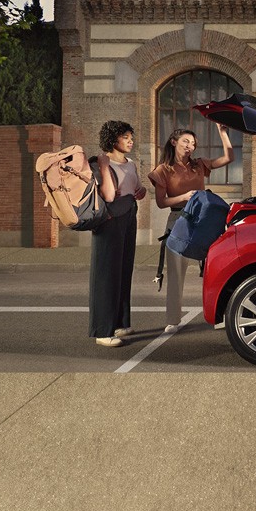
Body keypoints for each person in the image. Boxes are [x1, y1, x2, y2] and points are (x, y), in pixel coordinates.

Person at [148, 124, 234, 332]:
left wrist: (223, 134)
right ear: (174, 141)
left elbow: (228, 158)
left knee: (216, 269)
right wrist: (184, 197)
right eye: (186, 141)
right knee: (176, 273)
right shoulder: (162, 170)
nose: (190, 146)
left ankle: (219, 315)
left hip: (205, 220)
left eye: (193, 143)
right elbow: (161, 202)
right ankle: (173, 320)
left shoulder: (199, 165)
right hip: (178, 221)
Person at [89, 120, 147, 347]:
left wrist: (139, 191)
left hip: (129, 216)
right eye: (126, 137)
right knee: (106, 275)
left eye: (131, 136)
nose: (131, 140)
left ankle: (120, 323)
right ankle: (103, 331)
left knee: (124, 269)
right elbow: (110, 196)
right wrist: (104, 166)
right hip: (110, 220)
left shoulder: (130, 163)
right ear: (113, 139)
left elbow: (137, 189)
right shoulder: (100, 163)